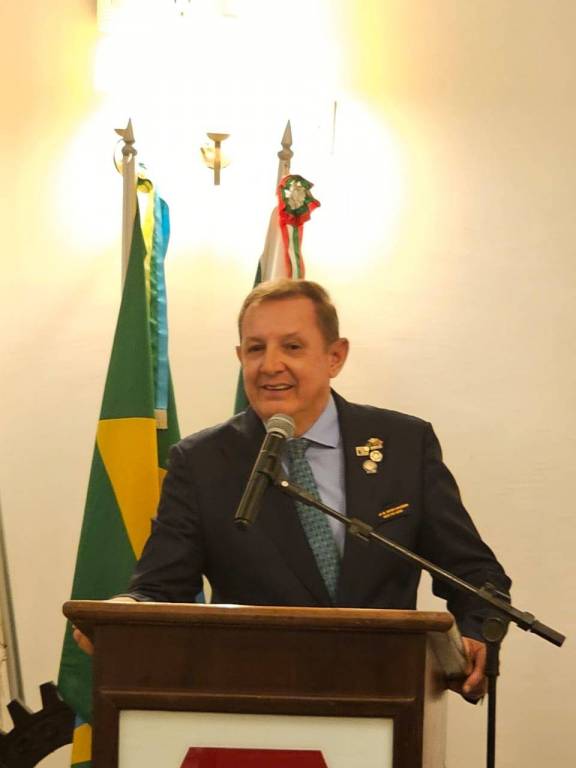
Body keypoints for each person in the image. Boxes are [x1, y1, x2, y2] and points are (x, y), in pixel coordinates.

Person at [74, 278, 511, 699]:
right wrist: (124, 611)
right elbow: (160, 587)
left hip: (388, 695)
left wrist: (477, 633)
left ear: (335, 357)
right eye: (255, 348)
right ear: (240, 357)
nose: (270, 365)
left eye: (292, 347)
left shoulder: (403, 445)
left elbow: (473, 573)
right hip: (255, 702)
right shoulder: (203, 462)